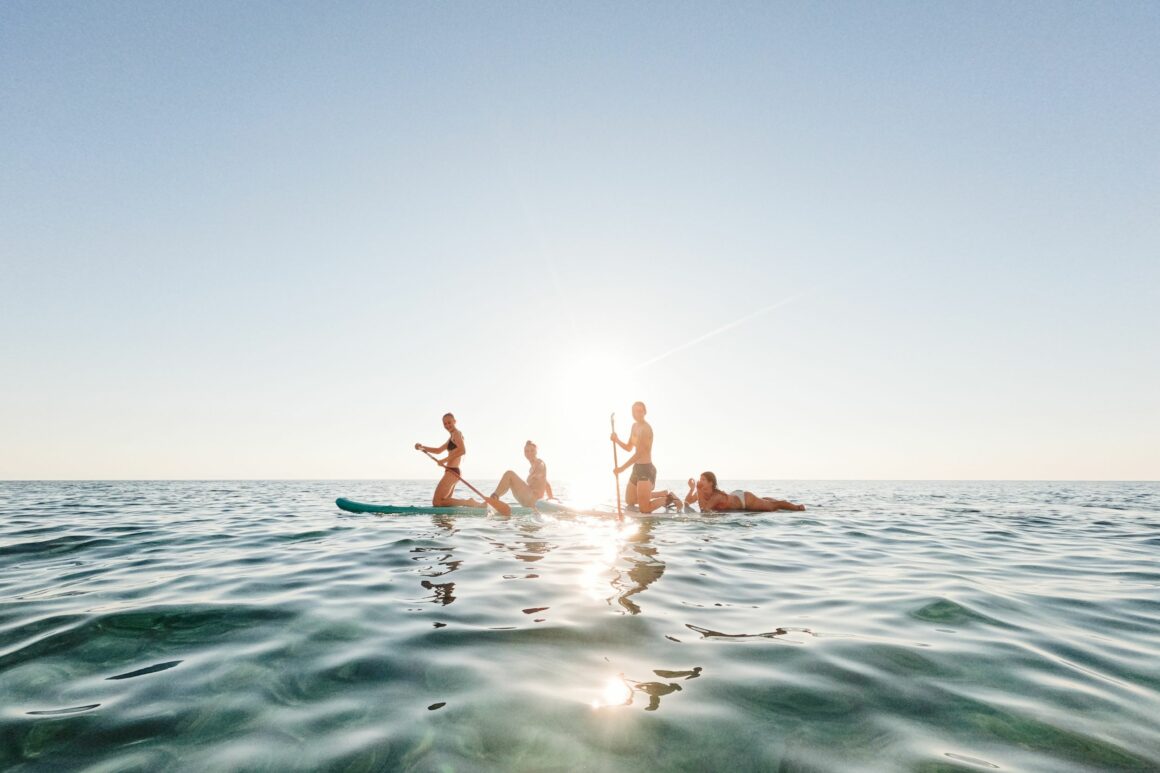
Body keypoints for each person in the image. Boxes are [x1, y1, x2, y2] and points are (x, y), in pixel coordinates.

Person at [611, 401, 679, 513]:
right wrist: (617, 440)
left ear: (644, 412)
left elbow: (639, 454)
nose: (637, 413)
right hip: (636, 468)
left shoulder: (646, 429)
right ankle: (662, 493)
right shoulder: (634, 427)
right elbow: (629, 447)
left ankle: (669, 498)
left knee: (645, 509)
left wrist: (622, 469)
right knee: (630, 500)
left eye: (640, 411)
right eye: (635, 411)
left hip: (646, 470)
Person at [414, 413, 485, 508]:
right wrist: (422, 448)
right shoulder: (451, 437)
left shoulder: (457, 434)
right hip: (452, 471)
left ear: (455, 421)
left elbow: (462, 450)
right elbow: (438, 450)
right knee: (446, 503)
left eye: (449, 422)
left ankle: (468, 502)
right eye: (445, 423)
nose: (447, 425)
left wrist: (444, 460)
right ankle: (448, 521)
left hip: (452, 472)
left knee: (437, 502)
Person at [683, 471, 805, 512]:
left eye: (703, 480)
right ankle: (766, 499)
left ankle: (797, 507)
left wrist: (697, 490)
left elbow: (705, 509)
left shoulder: (716, 496)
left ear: (711, 483)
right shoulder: (702, 493)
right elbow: (687, 502)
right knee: (764, 501)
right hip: (734, 496)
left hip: (744, 499)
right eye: (700, 479)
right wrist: (692, 489)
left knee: (773, 507)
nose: (700, 481)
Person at [491, 440, 555, 507]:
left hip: (534, 500)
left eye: (532, 450)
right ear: (524, 453)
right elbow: (546, 484)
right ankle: (494, 499)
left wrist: (538, 474)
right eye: (526, 451)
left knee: (509, 474)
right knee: (510, 480)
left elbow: (540, 470)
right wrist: (551, 497)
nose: (529, 453)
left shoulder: (540, 463)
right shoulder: (531, 469)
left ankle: (493, 498)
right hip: (530, 499)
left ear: (536, 451)